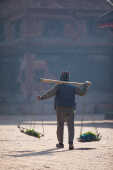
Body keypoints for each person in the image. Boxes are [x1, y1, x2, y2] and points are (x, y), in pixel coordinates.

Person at [37, 72, 91, 150]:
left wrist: (42, 97)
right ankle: (71, 144)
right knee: (71, 126)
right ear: (68, 79)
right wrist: (86, 86)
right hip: (70, 108)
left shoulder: (58, 86)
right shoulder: (72, 87)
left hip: (60, 109)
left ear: (61, 78)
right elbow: (82, 93)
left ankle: (61, 143)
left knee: (60, 125)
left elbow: (50, 93)